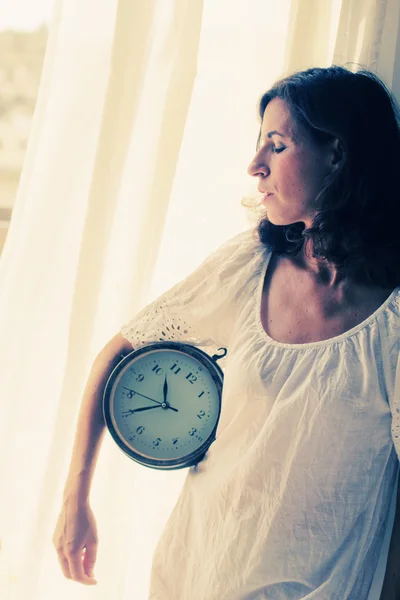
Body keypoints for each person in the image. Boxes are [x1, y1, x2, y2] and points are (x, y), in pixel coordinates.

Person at [52, 65, 400, 599]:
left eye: (276, 146)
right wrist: (75, 499)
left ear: (338, 152)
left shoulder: (392, 321)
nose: (254, 165)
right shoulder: (250, 265)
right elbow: (119, 353)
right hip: (195, 568)